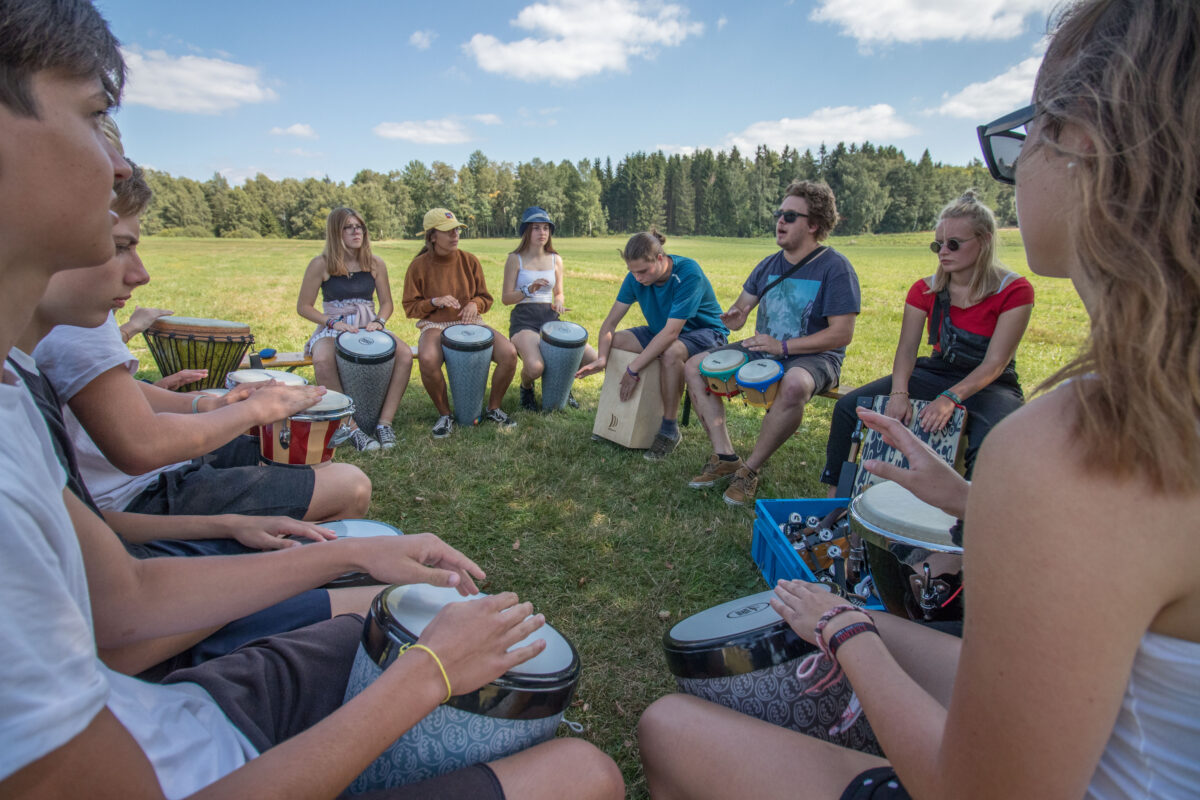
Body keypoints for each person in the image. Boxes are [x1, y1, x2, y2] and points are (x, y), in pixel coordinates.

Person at [0, 5, 625, 798]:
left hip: (185, 713)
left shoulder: (11, 392)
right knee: (585, 773)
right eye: (95, 116)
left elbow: (125, 602)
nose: (119, 166)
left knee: (384, 581)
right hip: (202, 747)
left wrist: (335, 551)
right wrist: (427, 673)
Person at [638, 2, 1200, 797]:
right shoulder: (1155, 409)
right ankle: (735, 462)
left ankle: (761, 491)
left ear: (1080, 145)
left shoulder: (1079, 444)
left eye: (1023, 131)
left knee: (667, 726)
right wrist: (972, 503)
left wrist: (844, 630)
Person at [820, 190, 1032, 496]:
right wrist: (899, 392)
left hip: (992, 384)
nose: (943, 252)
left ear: (984, 241)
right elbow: (907, 350)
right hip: (937, 371)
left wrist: (950, 398)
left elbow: (996, 363)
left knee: (992, 444)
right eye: (938, 244)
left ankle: (968, 516)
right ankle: (835, 500)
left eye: (953, 244)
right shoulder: (924, 289)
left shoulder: (1014, 291)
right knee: (848, 409)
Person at [681, 180, 860, 505]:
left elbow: (841, 333)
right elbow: (741, 308)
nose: (780, 221)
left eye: (790, 216)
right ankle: (725, 457)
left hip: (816, 357)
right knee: (695, 366)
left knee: (794, 384)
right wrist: (735, 316)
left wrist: (785, 348)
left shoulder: (835, 268)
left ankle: (749, 470)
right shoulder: (768, 265)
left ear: (813, 224)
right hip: (765, 348)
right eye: (780, 213)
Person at [576, 231, 728, 460]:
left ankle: (669, 430)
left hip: (706, 334)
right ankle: (615, 417)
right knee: (617, 342)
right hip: (663, 332)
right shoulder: (635, 278)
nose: (637, 278)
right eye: (632, 272)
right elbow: (609, 324)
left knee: (671, 352)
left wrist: (633, 368)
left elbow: (672, 333)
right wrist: (602, 359)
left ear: (659, 258)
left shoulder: (688, 273)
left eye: (643, 271)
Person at [298, 207, 413, 452]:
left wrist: (379, 322)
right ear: (335, 232)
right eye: (348, 227)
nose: (356, 232)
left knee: (404, 354)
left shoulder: (374, 263)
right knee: (322, 359)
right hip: (334, 325)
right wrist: (332, 322)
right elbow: (303, 306)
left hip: (368, 323)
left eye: (359, 226)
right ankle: (350, 427)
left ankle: (384, 423)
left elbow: (387, 303)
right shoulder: (321, 264)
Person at [402, 207, 518, 437]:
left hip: (471, 322)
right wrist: (434, 301)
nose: (455, 235)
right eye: (448, 231)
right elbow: (410, 307)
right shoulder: (418, 266)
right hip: (435, 325)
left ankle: (493, 408)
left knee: (509, 354)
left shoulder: (469, 260)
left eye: (456, 230)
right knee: (427, 358)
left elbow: (486, 298)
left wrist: (474, 304)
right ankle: (445, 415)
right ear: (432, 236)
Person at [500, 206, 597, 411]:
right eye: (536, 228)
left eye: (545, 228)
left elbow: (559, 292)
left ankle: (563, 386)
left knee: (592, 358)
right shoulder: (515, 258)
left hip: (550, 319)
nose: (542, 232)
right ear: (527, 231)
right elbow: (506, 299)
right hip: (524, 320)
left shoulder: (556, 259)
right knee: (535, 367)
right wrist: (528, 289)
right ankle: (526, 388)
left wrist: (559, 301)